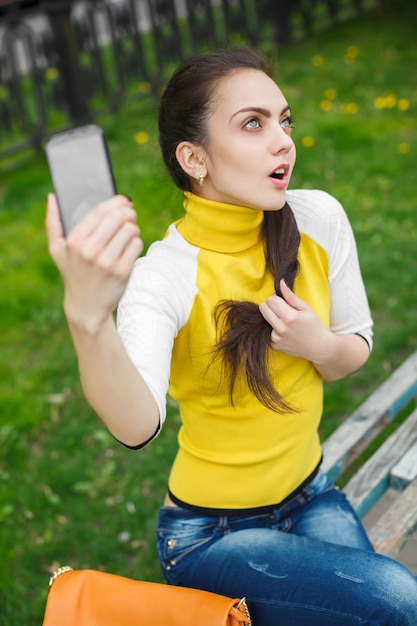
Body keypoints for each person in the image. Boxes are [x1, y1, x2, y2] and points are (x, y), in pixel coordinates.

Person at [46, 47, 417, 625]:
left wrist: (317, 345)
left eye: (284, 120)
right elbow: (136, 427)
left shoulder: (318, 220)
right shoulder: (164, 274)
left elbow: (354, 347)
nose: (284, 141)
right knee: (396, 600)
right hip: (210, 534)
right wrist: (86, 319)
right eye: (253, 124)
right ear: (194, 157)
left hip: (311, 492)